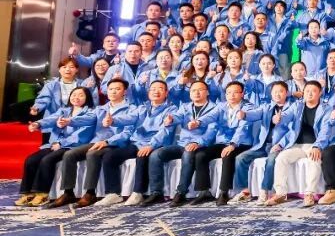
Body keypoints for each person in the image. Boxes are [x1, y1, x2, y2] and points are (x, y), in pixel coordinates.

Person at [141, 80, 222, 206]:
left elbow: (212, 131)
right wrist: (171, 119)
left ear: (207, 92)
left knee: (188, 153)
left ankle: (181, 192)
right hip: (182, 144)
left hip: (201, 144)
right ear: (190, 93)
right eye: (193, 90)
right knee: (156, 154)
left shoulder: (215, 109)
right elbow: (177, 116)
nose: (197, 93)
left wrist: (197, 142)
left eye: (200, 90)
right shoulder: (185, 107)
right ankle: (156, 192)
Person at [63, 78, 139, 208]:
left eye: (117, 89)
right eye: (110, 89)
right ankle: (68, 192)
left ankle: (90, 193)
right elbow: (87, 119)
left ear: (125, 92)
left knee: (92, 154)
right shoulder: (101, 109)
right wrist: (70, 121)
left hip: (116, 144)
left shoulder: (131, 109)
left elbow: (127, 133)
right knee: (69, 154)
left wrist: (108, 141)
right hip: (98, 141)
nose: (113, 92)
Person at [16, 87, 97, 207]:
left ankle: (42, 193)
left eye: (81, 95)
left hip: (71, 145)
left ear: (87, 98)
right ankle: (27, 193)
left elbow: (82, 134)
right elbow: (51, 119)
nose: (76, 97)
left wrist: (62, 143)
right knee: (31, 159)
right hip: (54, 144)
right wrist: (38, 123)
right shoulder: (64, 110)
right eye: (74, 94)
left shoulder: (91, 113)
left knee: (47, 160)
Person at [267, 81, 335, 208]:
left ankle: (309, 193)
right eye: (307, 91)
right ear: (303, 92)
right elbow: (286, 116)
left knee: (314, 159)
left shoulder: (326, 109)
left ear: (320, 93)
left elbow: (325, 131)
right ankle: (280, 193)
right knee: (281, 158)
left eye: (313, 91)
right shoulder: (297, 105)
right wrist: (279, 119)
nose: (310, 93)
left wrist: (317, 146)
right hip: (297, 145)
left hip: (314, 144)